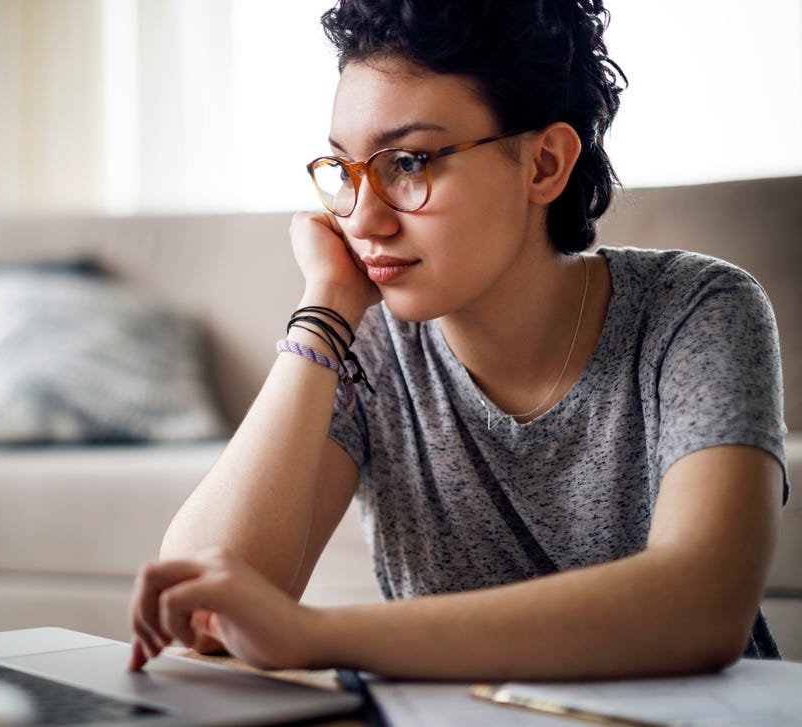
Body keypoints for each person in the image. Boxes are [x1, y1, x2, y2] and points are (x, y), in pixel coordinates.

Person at [128, 0, 788, 680]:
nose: (364, 218)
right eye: (344, 171)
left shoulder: (698, 310)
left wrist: (315, 633)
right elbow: (200, 609)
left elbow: (701, 606)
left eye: (408, 162)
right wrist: (324, 305)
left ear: (544, 164)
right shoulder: (366, 346)